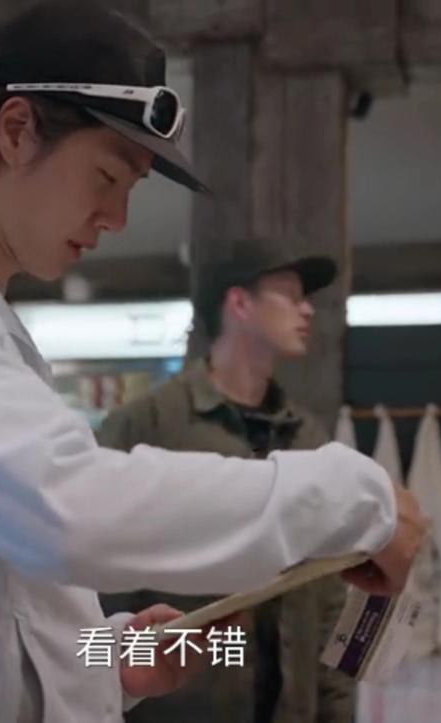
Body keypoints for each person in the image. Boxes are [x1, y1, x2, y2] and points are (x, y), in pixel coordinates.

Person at [0, 1, 428, 721]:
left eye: (130, 189)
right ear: (17, 131)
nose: (116, 218)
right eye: (106, 176)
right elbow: (66, 510)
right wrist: (347, 496)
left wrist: (111, 659)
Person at [98, 240, 358, 723]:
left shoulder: (308, 437)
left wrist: (337, 706)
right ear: (239, 303)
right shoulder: (150, 425)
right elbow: (97, 577)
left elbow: (327, 590)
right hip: (178, 708)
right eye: (290, 294)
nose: (307, 309)